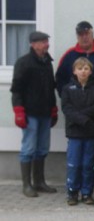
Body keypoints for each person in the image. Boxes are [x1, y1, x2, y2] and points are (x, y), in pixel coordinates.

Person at [11, 31, 58, 197]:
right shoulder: (23, 63)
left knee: (42, 148)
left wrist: (53, 109)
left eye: (47, 41)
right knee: (28, 148)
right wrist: (18, 111)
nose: (46, 44)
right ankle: (27, 185)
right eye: (43, 41)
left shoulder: (47, 63)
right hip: (30, 113)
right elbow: (16, 90)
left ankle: (39, 182)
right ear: (34, 44)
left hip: (45, 113)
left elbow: (51, 89)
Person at [61, 57, 94, 206]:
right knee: (74, 164)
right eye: (80, 68)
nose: (83, 71)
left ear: (91, 71)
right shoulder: (67, 88)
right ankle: (72, 192)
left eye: (86, 68)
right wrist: (82, 119)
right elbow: (67, 108)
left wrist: (83, 117)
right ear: (74, 71)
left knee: (88, 164)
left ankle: (87, 193)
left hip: (90, 132)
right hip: (74, 133)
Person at [55, 21, 94, 95]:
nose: (84, 37)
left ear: (92, 35)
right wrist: (66, 97)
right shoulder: (69, 55)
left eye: (87, 34)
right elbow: (60, 79)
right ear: (77, 37)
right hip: (74, 104)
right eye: (81, 34)